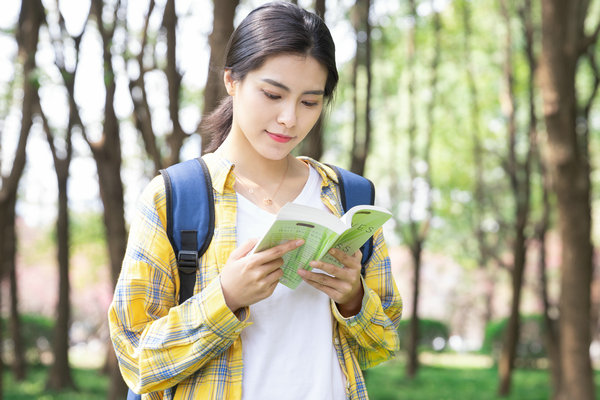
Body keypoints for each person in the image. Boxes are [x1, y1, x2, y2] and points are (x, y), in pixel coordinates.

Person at [108, 2, 402, 399]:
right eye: (272, 94)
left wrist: (353, 300)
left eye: (309, 102)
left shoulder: (346, 197)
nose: (289, 118)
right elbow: (136, 359)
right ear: (232, 80)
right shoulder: (174, 198)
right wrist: (225, 298)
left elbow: (383, 343)